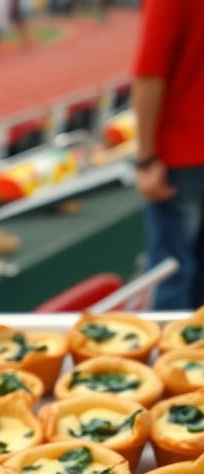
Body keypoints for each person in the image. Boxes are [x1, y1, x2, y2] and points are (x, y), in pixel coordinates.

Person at [132, 0, 204, 310]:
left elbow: (150, 71)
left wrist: (146, 158)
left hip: (183, 154)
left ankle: (177, 359)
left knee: (173, 275)